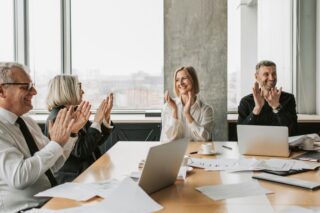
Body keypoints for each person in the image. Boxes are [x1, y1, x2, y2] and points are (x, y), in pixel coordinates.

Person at [0, 62, 90, 213]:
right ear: (2, 91)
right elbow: (19, 178)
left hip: (50, 202)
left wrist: (71, 134)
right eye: (26, 87)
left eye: (32, 85)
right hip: (27, 209)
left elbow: (53, 164)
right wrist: (55, 143)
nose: (34, 92)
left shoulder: (27, 122)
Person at [45, 75, 113, 184]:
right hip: (73, 180)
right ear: (68, 90)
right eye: (79, 87)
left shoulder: (74, 111)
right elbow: (81, 151)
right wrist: (96, 121)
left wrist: (105, 117)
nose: (83, 91)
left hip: (88, 174)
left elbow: (96, 141)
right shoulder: (57, 118)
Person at [237, 60, 298, 136]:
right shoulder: (246, 101)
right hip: (254, 146)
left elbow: (293, 130)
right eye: (266, 74)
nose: (271, 78)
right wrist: (257, 108)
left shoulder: (289, 98)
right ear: (256, 77)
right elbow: (242, 133)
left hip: (280, 146)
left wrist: (277, 107)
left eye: (274, 74)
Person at [160, 66, 214, 143]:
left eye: (184, 78)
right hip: (175, 154)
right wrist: (174, 111)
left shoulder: (206, 110)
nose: (180, 83)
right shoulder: (168, 107)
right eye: (177, 80)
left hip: (197, 154)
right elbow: (167, 140)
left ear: (193, 80)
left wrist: (187, 114)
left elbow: (205, 139)